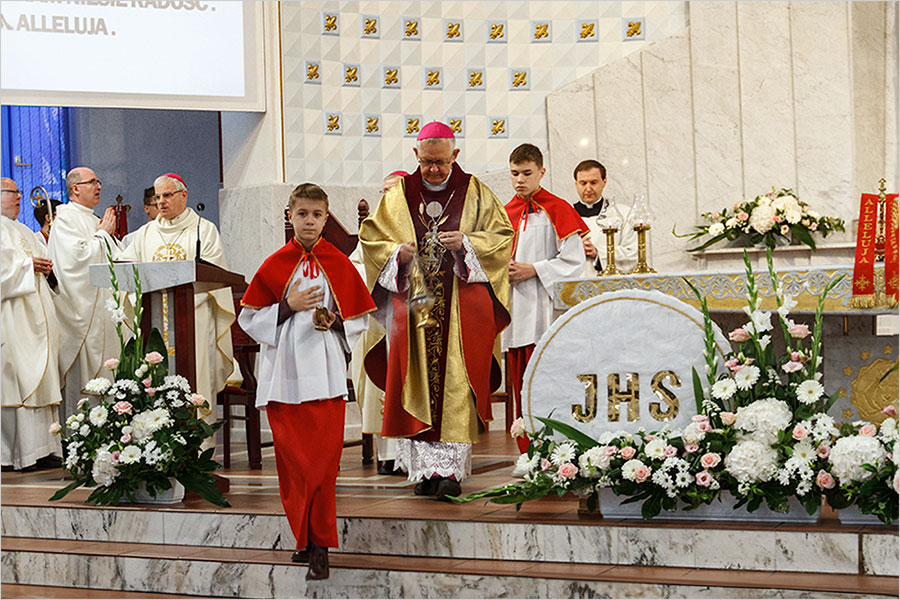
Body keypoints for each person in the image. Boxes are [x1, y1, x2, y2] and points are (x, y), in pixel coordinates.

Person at [359, 121, 514, 500]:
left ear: (455, 156)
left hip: (461, 310)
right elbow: (371, 239)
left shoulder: (475, 191)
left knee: (456, 386)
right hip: (415, 309)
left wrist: (468, 244)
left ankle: (451, 474)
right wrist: (397, 253)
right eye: (427, 162)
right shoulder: (398, 196)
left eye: (440, 162)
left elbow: (502, 237)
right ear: (416, 155)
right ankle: (425, 473)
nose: (433, 169)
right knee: (416, 384)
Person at [239, 183, 375, 580]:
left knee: (322, 465)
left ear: (326, 217)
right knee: (294, 466)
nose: (310, 221)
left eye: (317, 215)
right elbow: (249, 320)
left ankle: (320, 544)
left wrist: (336, 323)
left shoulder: (339, 262)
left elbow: (360, 318)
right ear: (290, 215)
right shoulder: (274, 264)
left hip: (326, 373)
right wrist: (287, 306)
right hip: (285, 377)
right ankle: (304, 537)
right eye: (303, 214)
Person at [118, 173, 235, 446]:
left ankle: (197, 456)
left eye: (167, 195)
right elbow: (126, 268)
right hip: (155, 325)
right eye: (157, 197)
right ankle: (157, 452)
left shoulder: (203, 231)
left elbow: (214, 275)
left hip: (192, 321)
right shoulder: (145, 234)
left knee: (197, 385)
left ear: (184, 195)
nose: (161, 202)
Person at [502, 145, 586, 448]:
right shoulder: (505, 212)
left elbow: (575, 262)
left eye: (527, 173)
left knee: (548, 380)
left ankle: (555, 450)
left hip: (545, 309)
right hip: (515, 309)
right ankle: (527, 451)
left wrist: (534, 269)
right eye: (514, 173)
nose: (520, 180)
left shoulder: (559, 208)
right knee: (520, 380)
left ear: (542, 172)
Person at [48, 167, 121, 424]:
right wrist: (103, 235)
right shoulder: (66, 218)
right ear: (75, 188)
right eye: (92, 182)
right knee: (85, 385)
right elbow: (75, 261)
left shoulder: (92, 219)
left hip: (103, 312)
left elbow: (115, 258)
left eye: (98, 181)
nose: (98, 186)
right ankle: (81, 438)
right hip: (82, 313)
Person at [1, 178, 63, 471]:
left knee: (41, 378)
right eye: (14, 193)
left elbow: (47, 262)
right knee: (18, 379)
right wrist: (28, 267)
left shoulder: (25, 230)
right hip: (12, 317)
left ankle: (44, 447)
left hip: (37, 317)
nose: (19, 198)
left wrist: (47, 267)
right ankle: (17, 453)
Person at [349, 170, 409, 476]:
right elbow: (354, 267)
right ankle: (388, 455)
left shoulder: (420, 222)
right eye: (383, 191)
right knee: (380, 379)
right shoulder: (372, 229)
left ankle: (411, 453)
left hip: (411, 316)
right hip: (379, 316)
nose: (387, 196)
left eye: (394, 189)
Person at [573, 160, 637, 275]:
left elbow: (634, 254)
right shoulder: (564, 216)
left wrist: (598, 253)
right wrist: (572, 249)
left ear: (604, 182)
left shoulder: (623, 214)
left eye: (593, 182)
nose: (588, 188)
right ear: (576, 184)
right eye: (583, 183)